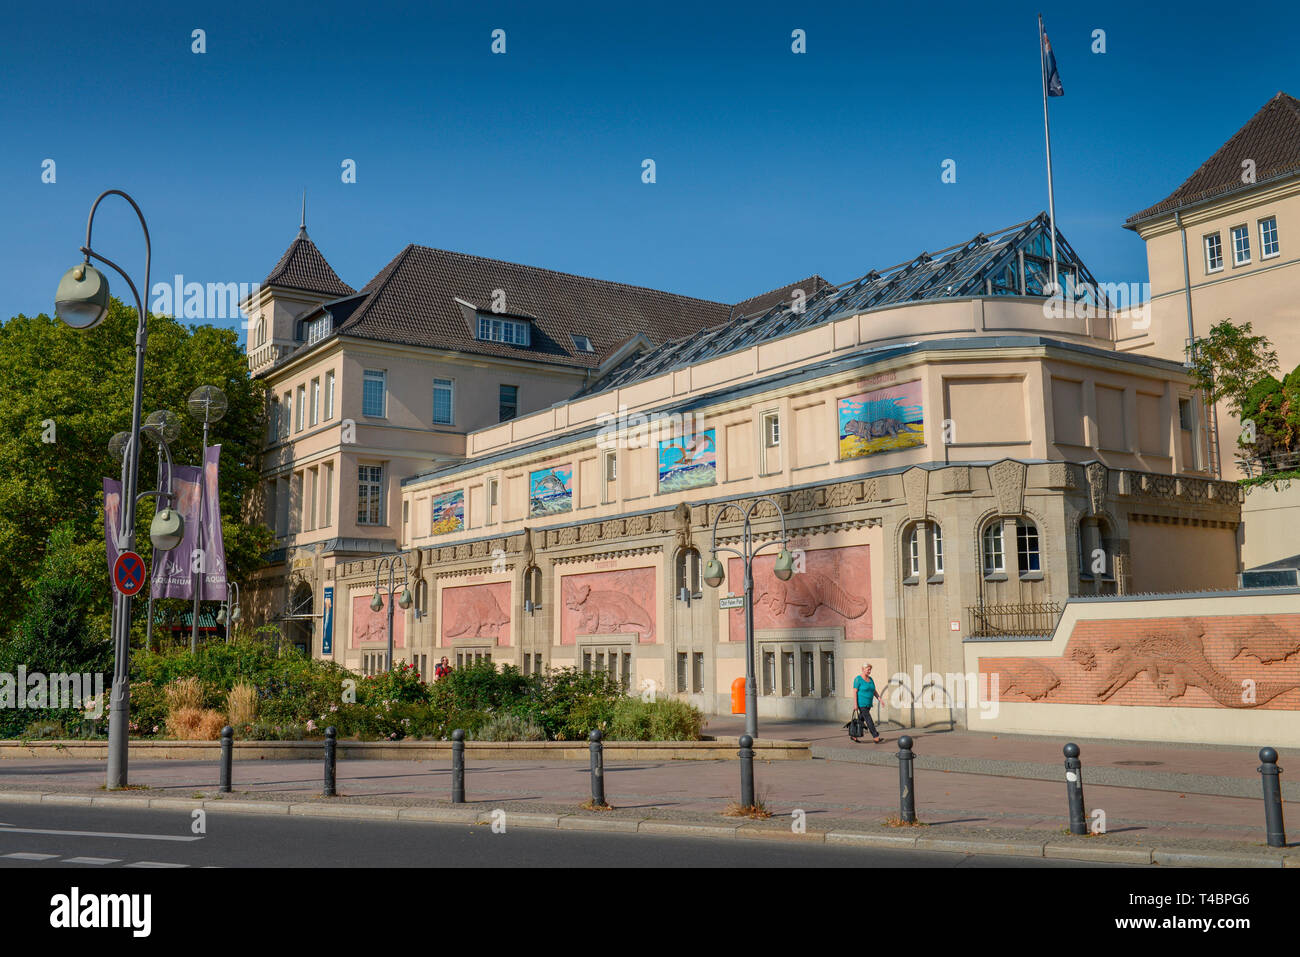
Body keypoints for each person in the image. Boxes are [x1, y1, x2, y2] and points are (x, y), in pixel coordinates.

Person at [851, 664, 883, 743]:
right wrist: (855, 704)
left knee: (861, 720)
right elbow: (855, 692)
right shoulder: (858, 679)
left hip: (868, 703)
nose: (869, 671)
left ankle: (853, 735)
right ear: (863, 669)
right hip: (861, 703)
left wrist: (880, 699)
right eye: (868, 669)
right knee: (868, 719)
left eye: (870, 669)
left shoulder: (871, 679)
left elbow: (874, 691)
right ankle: (875, 736)